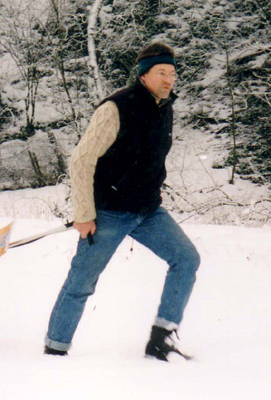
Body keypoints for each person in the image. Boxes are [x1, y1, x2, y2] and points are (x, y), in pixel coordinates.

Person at [44, 42, 200, 361]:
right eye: (161, 73)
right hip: (108, 213)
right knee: (82, 280)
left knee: (187, 259)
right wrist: (84, 214)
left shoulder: (164, 107)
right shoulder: (116, 108)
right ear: (144, 75)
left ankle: (161, 338)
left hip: (147, 210)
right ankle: (55, 348)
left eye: (172, 73)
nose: (169, 79)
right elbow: (81, 160)